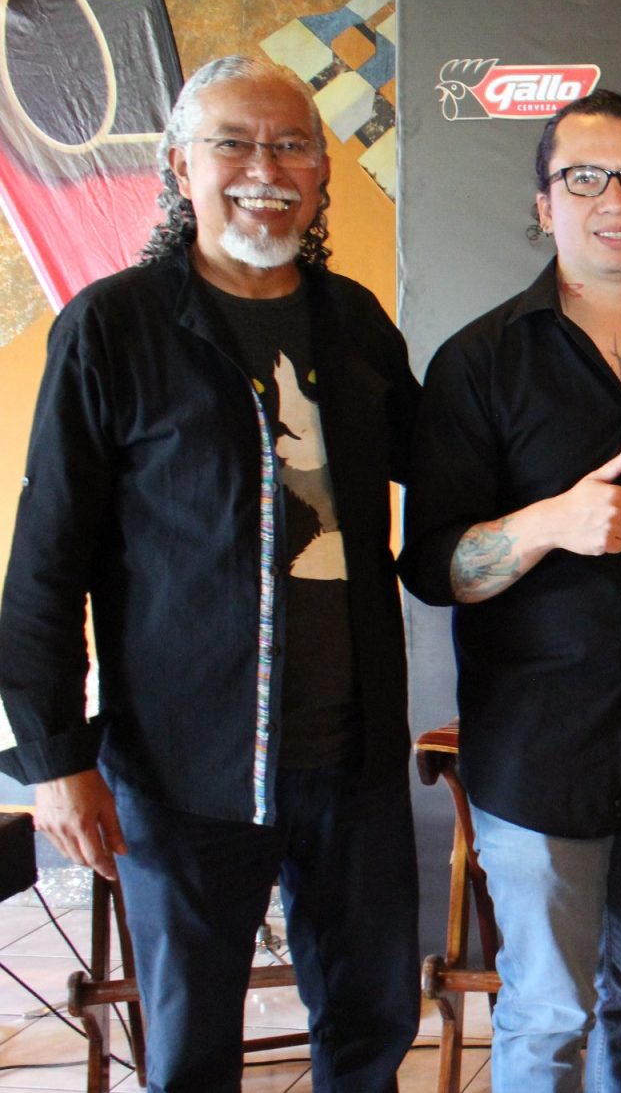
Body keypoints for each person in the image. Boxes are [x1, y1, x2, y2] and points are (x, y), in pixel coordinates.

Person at [0, 54, 419, 1090]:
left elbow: (450, 471)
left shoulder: (356, 323)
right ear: (181, 167)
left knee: (371, 1022)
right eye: (232, 144)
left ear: (321, 175)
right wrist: (54, 759)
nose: (262, 169)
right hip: (184, 766)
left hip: (353, 759)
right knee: (189, 1046)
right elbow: (46, 562)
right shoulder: (112, 326)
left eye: (290, 147)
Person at [398, 89, 621, 1092]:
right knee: (546, 1012)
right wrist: (548, 524)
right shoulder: (479, 361)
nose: (614, 199)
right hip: (539, 742)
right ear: (544, 205)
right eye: (583, 179)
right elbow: (434, 568)